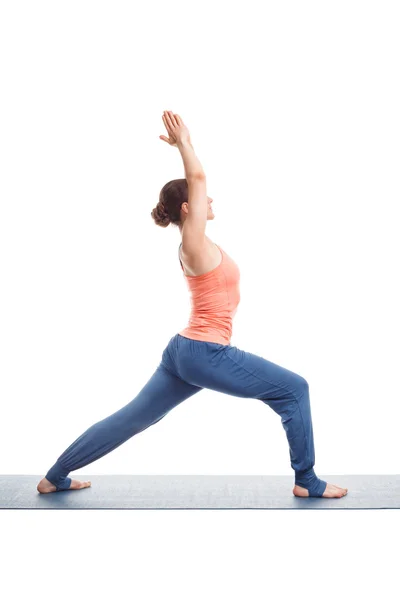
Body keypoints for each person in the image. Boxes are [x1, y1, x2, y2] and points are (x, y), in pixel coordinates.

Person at [37, 110, 348, 498]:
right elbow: (198, 179)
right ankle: (307, 481)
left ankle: (55, 475)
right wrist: (184, 143)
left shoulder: (196, 245)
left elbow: (198, 188)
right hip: (204, 352)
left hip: (183, 351)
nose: (209, 198)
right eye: (201, 199)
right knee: (294, 389)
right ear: (188, 208)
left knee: (134, 417)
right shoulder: (193, 242)